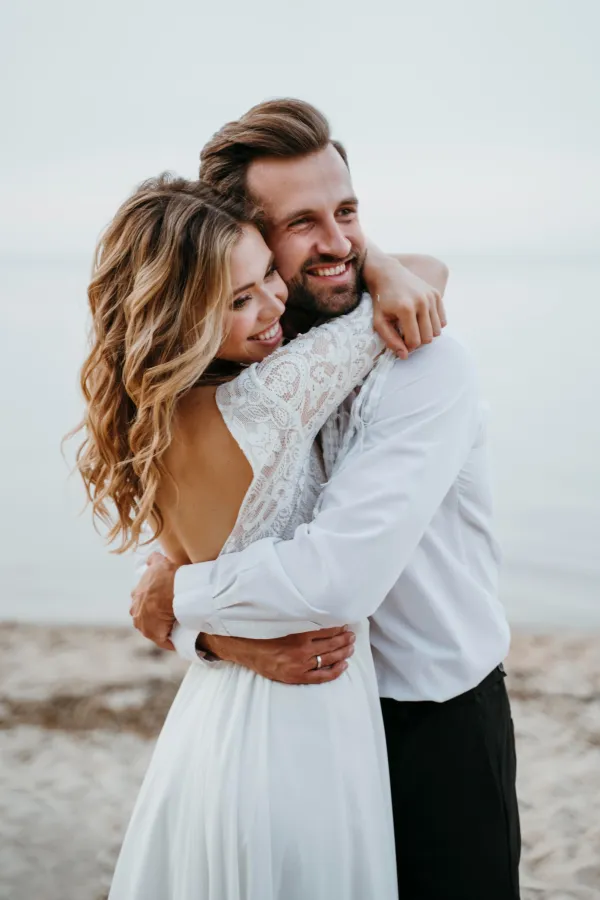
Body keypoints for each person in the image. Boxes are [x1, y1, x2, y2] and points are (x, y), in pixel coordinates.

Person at [133, 99, 521, 900]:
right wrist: (211, 638)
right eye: (303, 222)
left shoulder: (426, 366)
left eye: (347, 213)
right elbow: (207, 537)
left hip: (432, 725)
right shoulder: (243, 364)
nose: (339, 243)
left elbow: (336, 577)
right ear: (244, 237)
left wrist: (182, 599)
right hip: (296, 713)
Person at [73, 159, 447, 896]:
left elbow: (176, 578)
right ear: (182, 320)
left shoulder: (140, 421)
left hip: (210, 718)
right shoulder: (267, 401)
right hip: (303, 719)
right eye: (239, 300)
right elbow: (428, 274)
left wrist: (201, 627)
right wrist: (384, 268)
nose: (274, 304)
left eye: (267, 277)